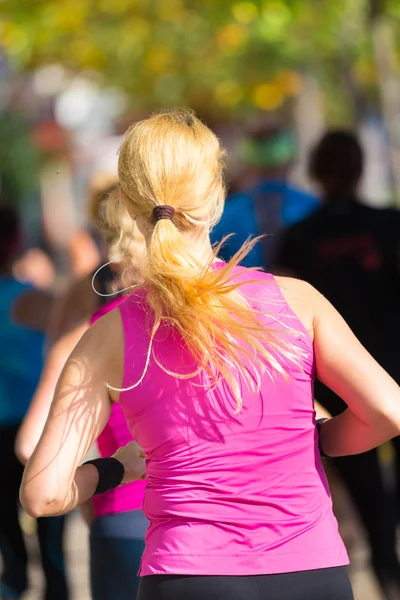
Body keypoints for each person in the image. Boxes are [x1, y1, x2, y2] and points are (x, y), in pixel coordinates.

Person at [19, 109, 400, 600]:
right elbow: (388, 410)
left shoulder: (106, 333)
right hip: (311, 572)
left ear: (130, 208)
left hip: (184, 577)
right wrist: (318, 439)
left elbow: (44, 493)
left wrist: (120, 467)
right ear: (217, 199)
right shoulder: (297, 301)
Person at [275, 129, 400, 599]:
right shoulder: (390, 225)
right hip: (394, 368)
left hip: (336, 385)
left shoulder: (299, 238)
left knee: (367, 496)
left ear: (316, 173)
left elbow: (282, 316)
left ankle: (388, 577)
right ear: (360, 167)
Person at [16, 173, 147, 600]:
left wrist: (100, 475)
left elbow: (30, 444)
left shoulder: (81, 331)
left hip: (120, 517)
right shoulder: (198, 318)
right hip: (213, 526)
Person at [0, 206, 68, 600]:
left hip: (5, 430)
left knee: (9, 550)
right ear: (15, 244)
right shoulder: (36, 301)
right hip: (38, 429)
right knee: (53, 548)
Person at [210, 121, 318, 269]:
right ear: (291, 160)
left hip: (240, 291)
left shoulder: (225, 213)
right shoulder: (313, 207)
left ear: (248, 161)